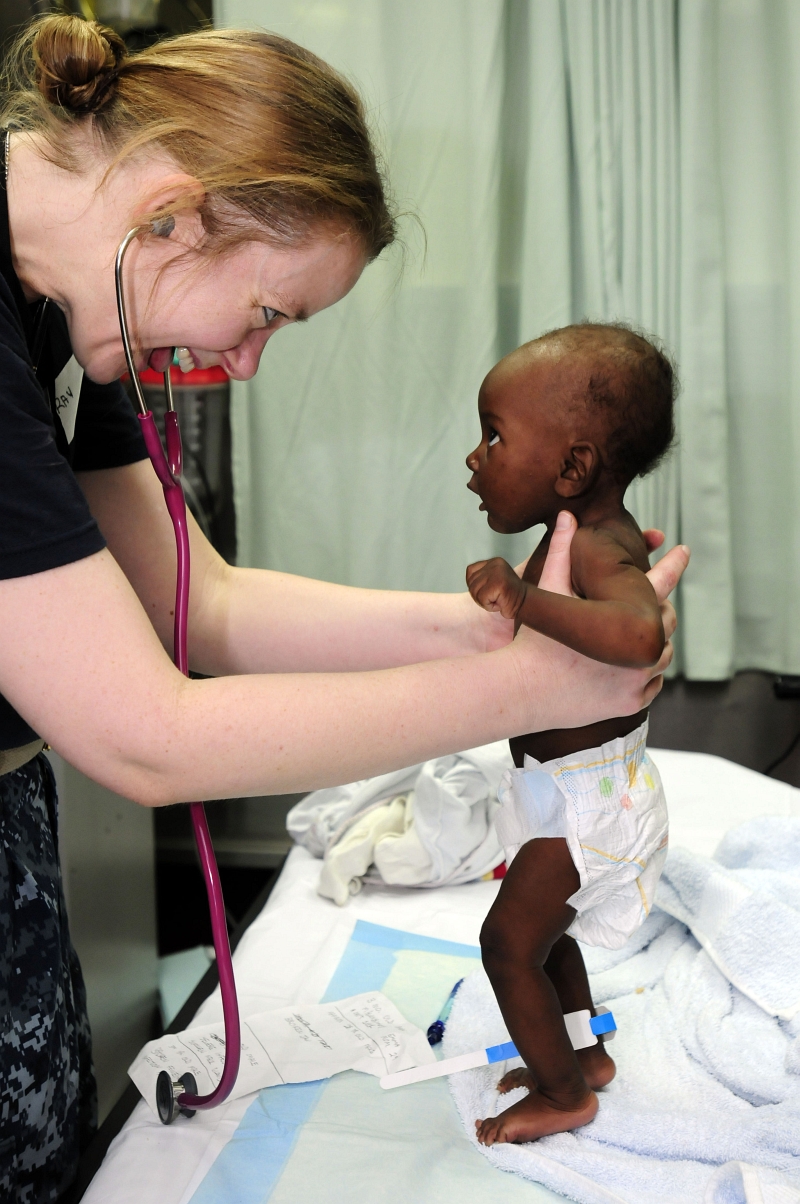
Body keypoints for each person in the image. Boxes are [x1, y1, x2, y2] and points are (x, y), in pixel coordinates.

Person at [0, 15, 687, 1200]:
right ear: (170, 213)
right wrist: (526, 684)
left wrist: (491, 626)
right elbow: (142, 734)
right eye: (268, 313)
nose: (247, 360)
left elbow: (199, 603)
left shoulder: (78, 313)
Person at [466, 323, 678, 1145]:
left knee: (507, 945)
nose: (475, 457)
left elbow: (638, 637)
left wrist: (524, 603)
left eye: (494, 435)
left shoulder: (594, 549)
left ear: (573, 467)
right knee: (548, 938)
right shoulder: (571, 538)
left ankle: (563, 1097)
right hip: (570, 795)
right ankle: (583, 1055)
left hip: (592, 802)